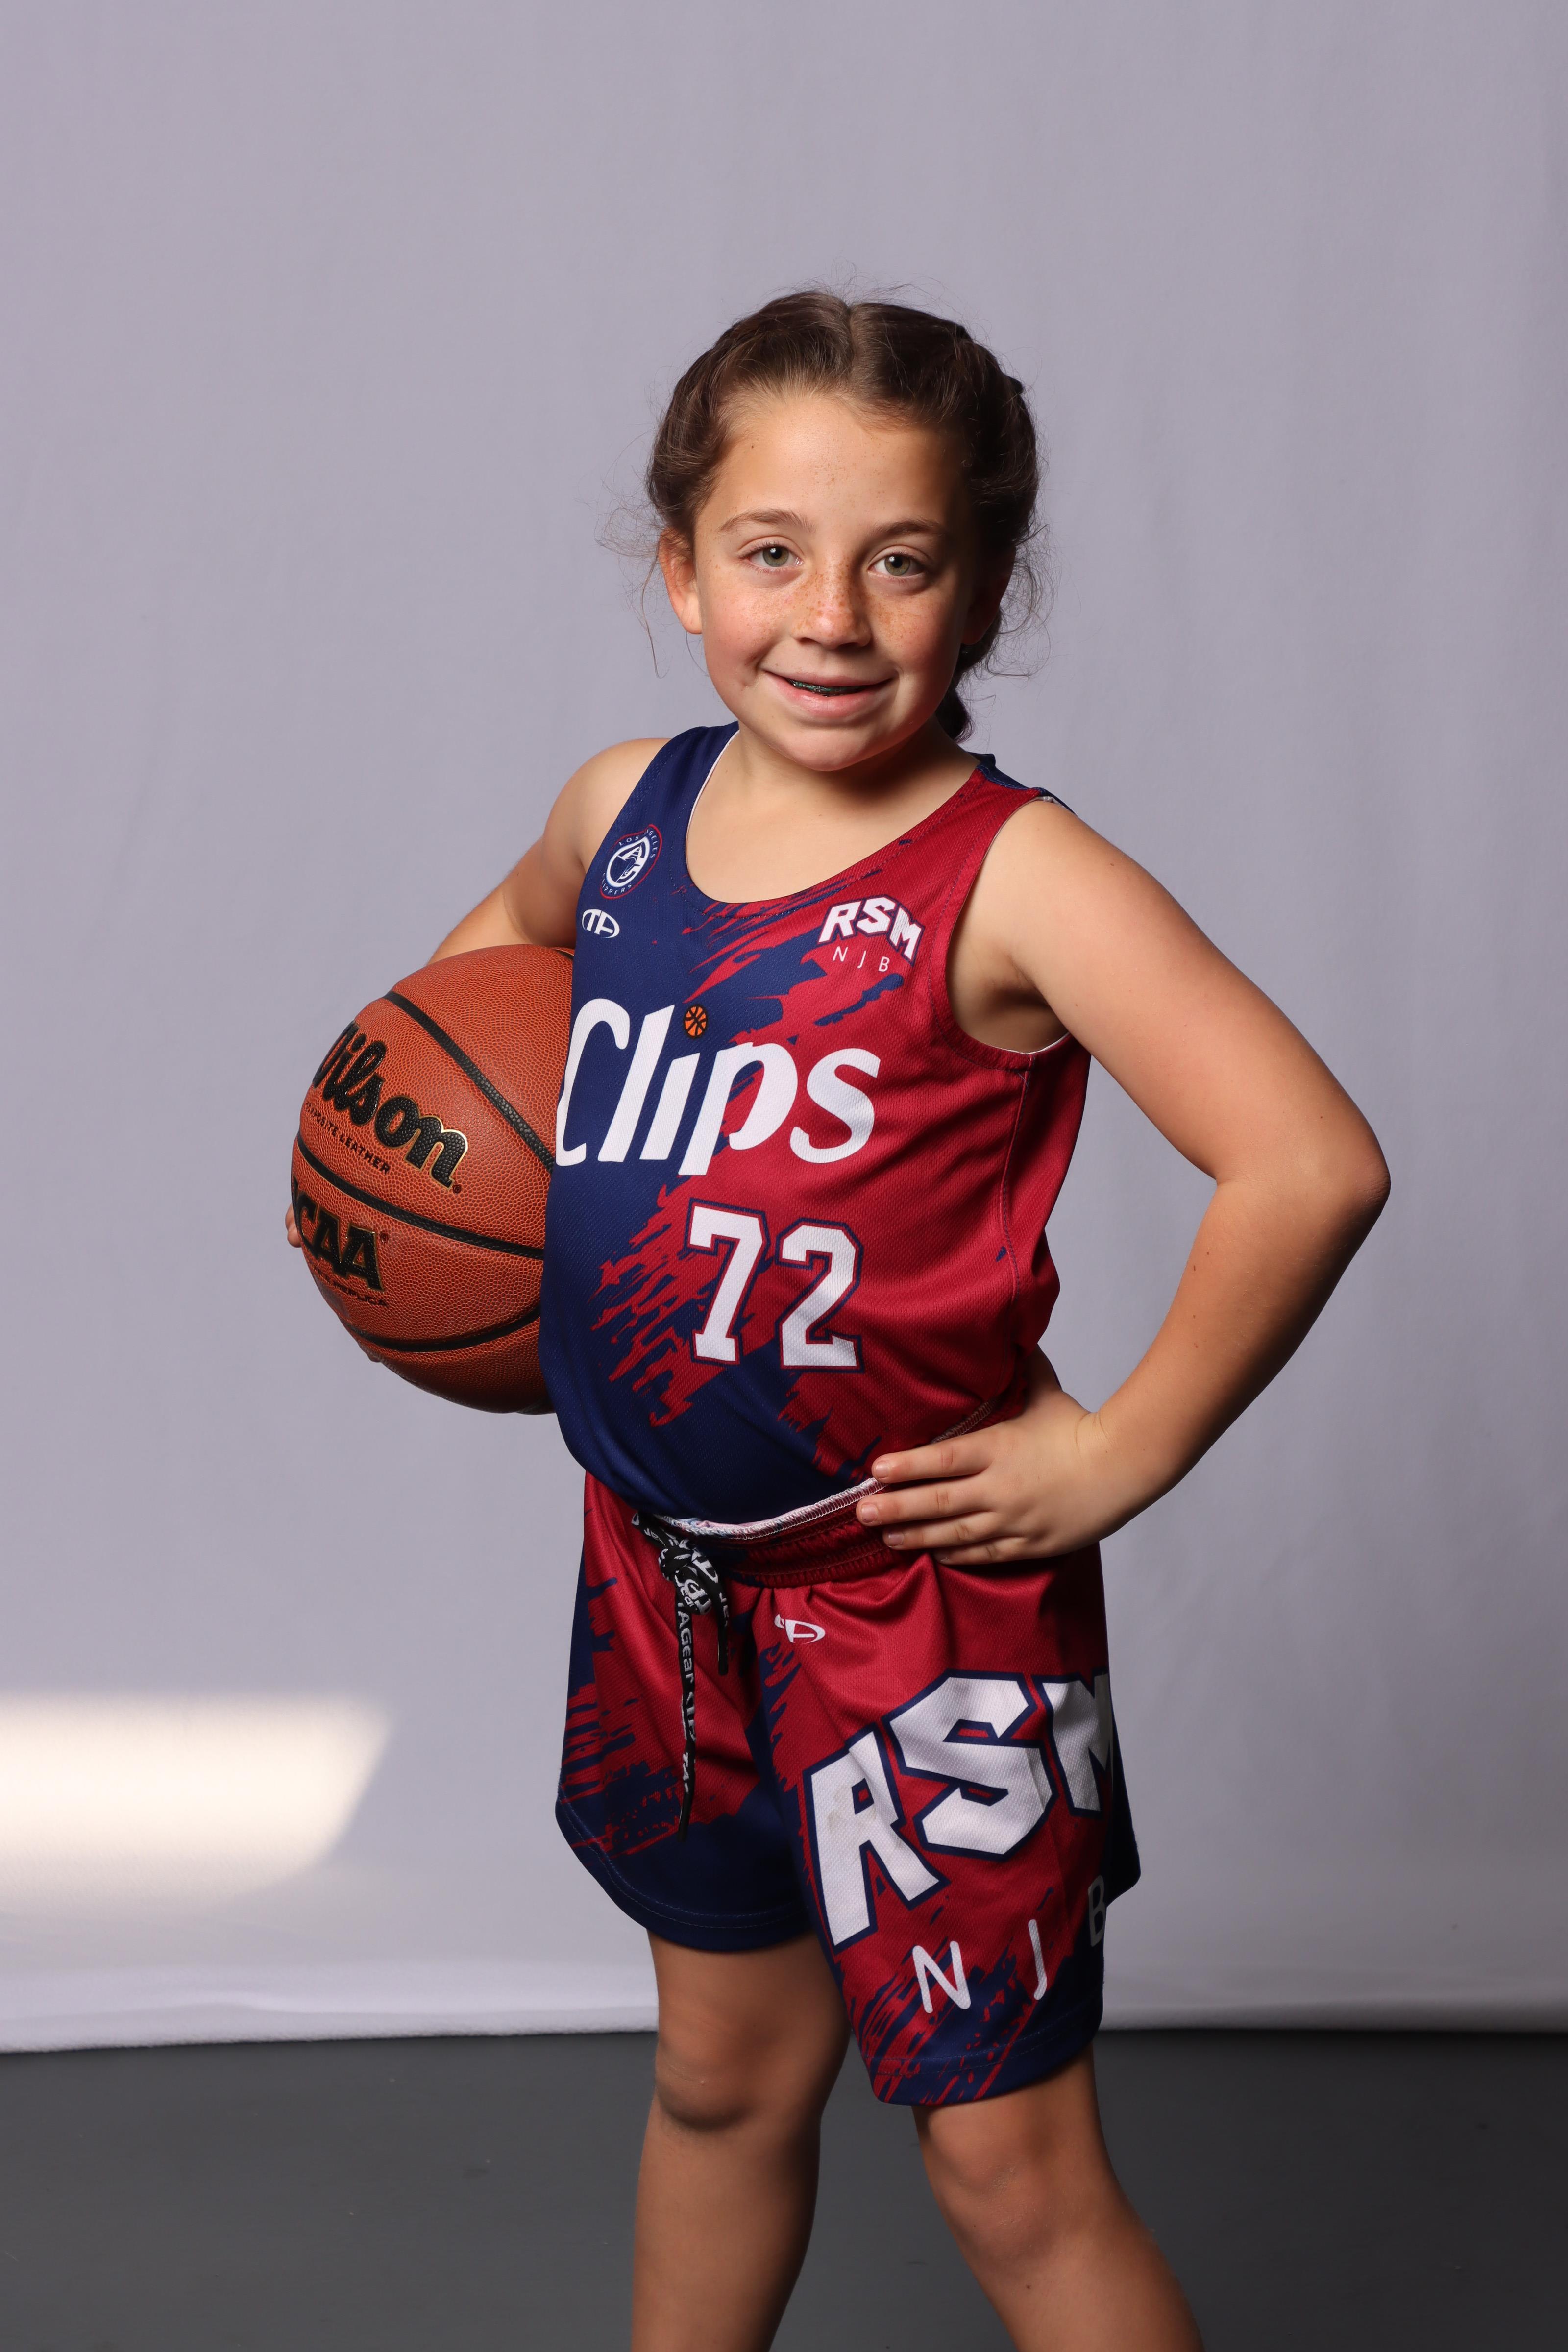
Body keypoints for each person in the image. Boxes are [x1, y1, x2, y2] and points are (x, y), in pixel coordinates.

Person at [292, 290, 1389, 2349]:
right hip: (667, 1580)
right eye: (771, 551)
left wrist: (1121, 1448)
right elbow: (482, 994)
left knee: (1006, 2168)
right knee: (721, 2080)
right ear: (679, 567)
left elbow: (1308, 1161)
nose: (829, 616)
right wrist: (428, 1205)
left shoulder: (1016, 877)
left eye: (901, 560)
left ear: (985, 587)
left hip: (918, 1611)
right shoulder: (619, 817)